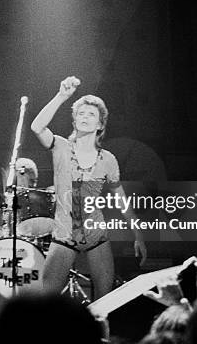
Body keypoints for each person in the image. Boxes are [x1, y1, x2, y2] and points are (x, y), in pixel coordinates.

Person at [30, 76, 147, 300]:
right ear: (74, 121)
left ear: (100, 124)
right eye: (80, 113)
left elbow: (119, 198)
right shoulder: (61, 147)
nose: (85, 117)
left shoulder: (108, 159)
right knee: (47, 302)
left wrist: (138, 233)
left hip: (97, 236)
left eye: (91, 114)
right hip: (64, 235)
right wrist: (62, 96)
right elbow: (37, 126)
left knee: (105, 302)